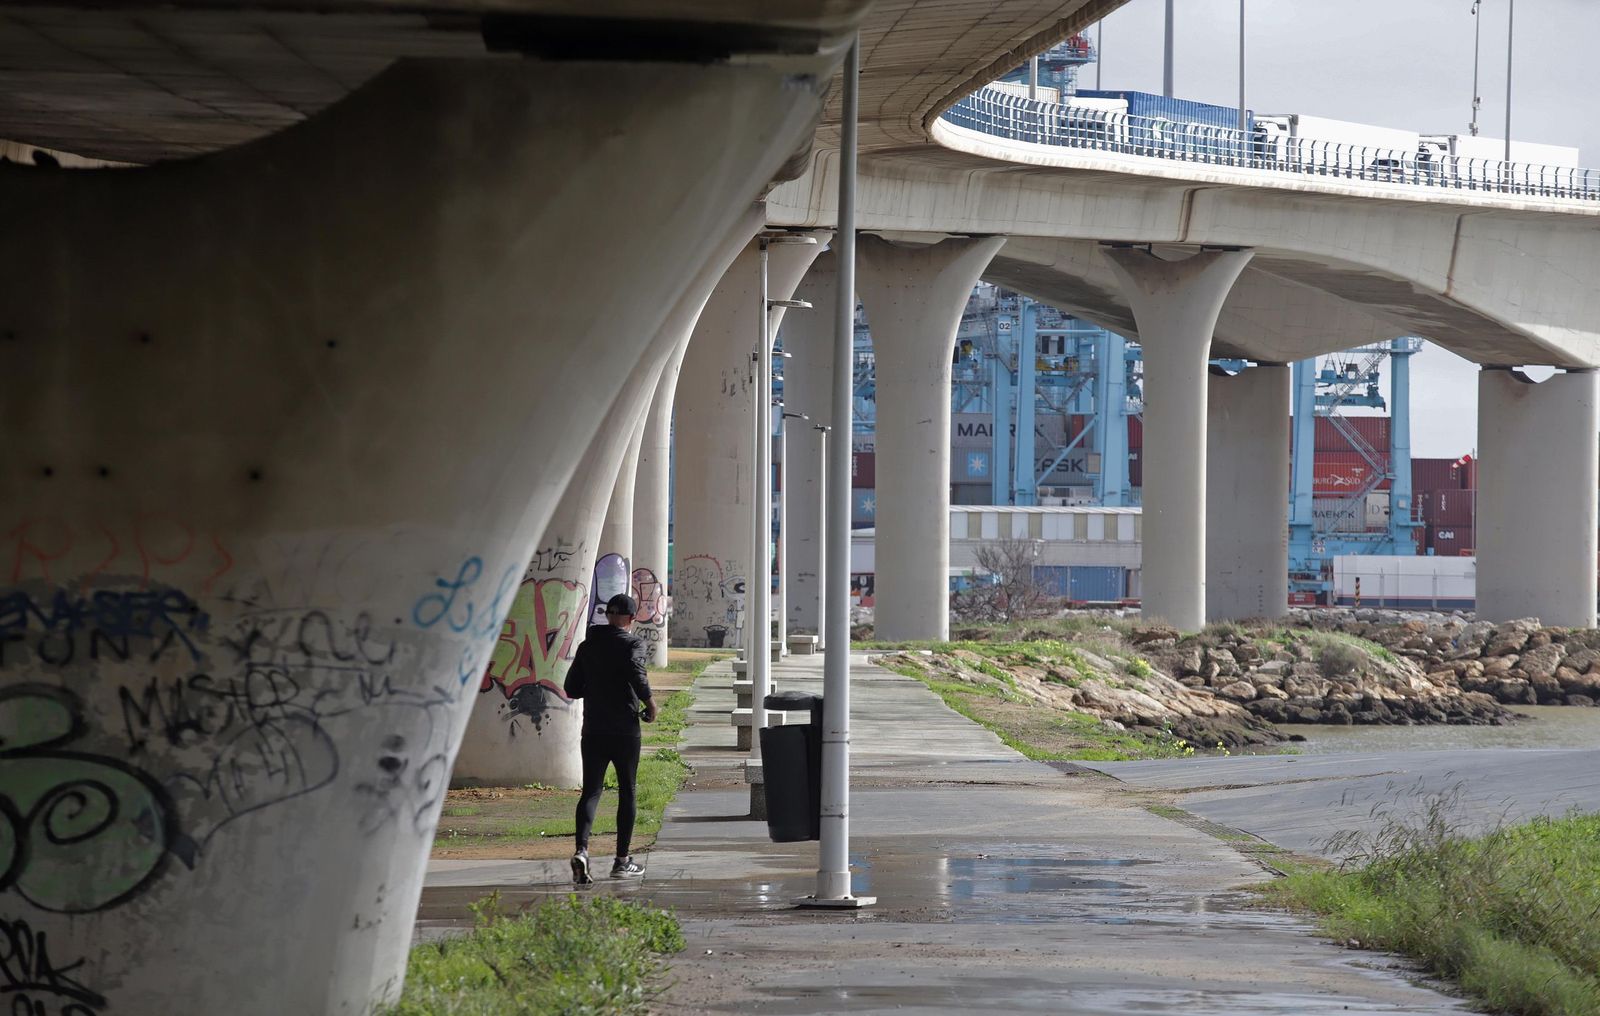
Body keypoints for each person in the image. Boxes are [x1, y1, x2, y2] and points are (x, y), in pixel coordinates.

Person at [563, 591, 657, 884]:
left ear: (607, 615)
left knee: (591, 791)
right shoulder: (632, 643)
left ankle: (582, 849)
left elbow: (571, 688)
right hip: (625, 731)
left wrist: (595, 686)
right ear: (631, 618)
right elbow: (637, 673)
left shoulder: (587, 646)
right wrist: (650, 704)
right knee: (627, 790)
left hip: (593, 730)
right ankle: (622, 860)